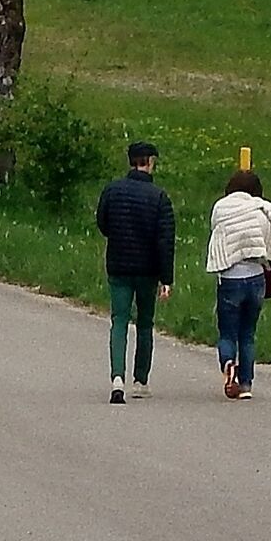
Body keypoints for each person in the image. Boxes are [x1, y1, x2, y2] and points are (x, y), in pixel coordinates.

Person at [206, 159, 271, 399]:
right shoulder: (263, 210)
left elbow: (216, 231)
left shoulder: (221, 208)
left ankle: (228, 363)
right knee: (247, 334)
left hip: (229, 278)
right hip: (256, 278)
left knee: (227, 333)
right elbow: (270, 244)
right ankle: (246, 384)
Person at [93, 141, 175, 403]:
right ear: (149, 162)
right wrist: (166, 277)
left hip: (118, 264)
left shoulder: (112, 190)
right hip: (148, 269)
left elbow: (102, 223)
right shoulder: (159, 197)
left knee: (119, 319)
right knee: (145, 323)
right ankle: (140, 380)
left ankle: (117, 377)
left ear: (130, 161)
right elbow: (165, 240)